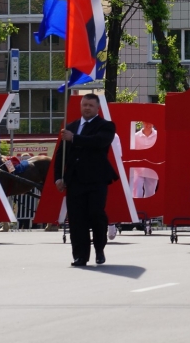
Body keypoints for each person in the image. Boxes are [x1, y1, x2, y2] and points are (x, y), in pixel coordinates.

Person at [54, 93, 117, 267]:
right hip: (75, 181)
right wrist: (58, 177)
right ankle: (80, 256)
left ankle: (99, 248)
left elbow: (98, 142)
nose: (87, 108)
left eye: (90, 105)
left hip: (97, 180)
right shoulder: (71, 126)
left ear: (97, 108)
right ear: (80, 106)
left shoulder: (106, 126)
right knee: (76, 219)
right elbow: (61, 155)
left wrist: (74, 138)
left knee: (96, 214)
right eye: (84, 105)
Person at [129, 121, 159, 199]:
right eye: (146, 123)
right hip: (138, 168)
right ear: (142, 123)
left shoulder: (158, 135)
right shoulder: (135, 136)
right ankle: (136, 209)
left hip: (152, 168)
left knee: (150, 193)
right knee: (136, 192)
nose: (148, 125)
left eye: (150, 123)